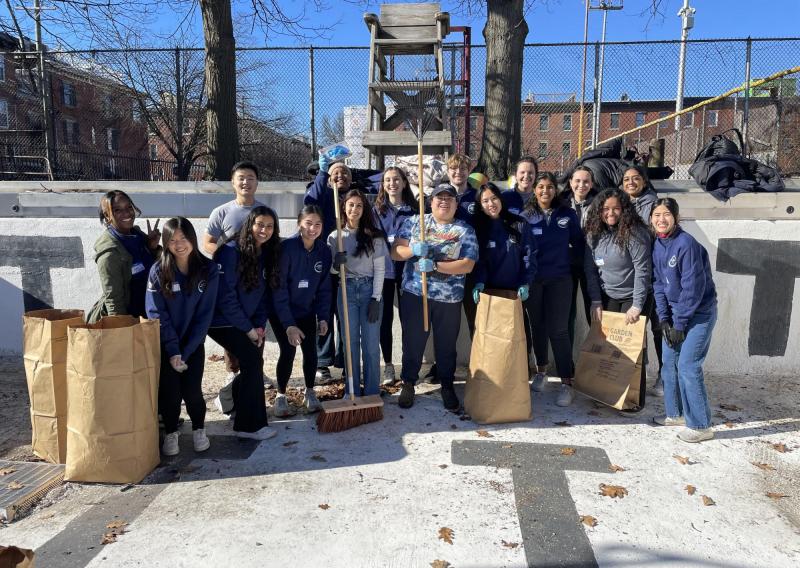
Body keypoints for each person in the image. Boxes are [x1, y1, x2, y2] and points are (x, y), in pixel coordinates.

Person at [392, 183, 478, 411]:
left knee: (446, 345)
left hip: (449, 299)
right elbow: (396, 252)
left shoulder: (465, 230)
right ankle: (408, 382)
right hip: (415, 294)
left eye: (449, 198)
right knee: (413, 342)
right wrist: (413, 250)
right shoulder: (415, 222)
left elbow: (467, 265)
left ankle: (447, 385)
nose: (444, 201)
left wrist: (436, 266)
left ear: (456, 204)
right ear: (431, 201)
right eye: (439, 197)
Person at [145, 217, 219, 456]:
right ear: (166, 243)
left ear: (192, 238)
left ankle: (199, 429)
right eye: (173, 240)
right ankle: (171, 434)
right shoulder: (158, 271)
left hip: (193, 344)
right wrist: (173, 350)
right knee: (171, 394)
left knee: (193, 391)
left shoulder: (208, 270)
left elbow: (204, 316)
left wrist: (185, 351)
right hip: (167, 346)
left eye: (183, 238)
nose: (179, 244)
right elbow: (156, 313)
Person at [206, 202, 279, 440]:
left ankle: (228, 400)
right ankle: (249, 427)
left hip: (246, 320)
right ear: (250, 225)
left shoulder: (264, 254)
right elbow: (225, 298)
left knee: (253, 361)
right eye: (260, 224)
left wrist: (258, 326)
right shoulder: (229, 251)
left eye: (269, 226)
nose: (264, 230)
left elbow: (261, 296)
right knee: (250, 360)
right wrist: (248, 329)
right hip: (221, 320)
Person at [651, 198, 718, 443]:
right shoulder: (658, 244)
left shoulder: (686, 244)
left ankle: (701, 425)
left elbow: (693, 289)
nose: (661, 219)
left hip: (699, 314)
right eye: (656, 215)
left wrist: (679, 324)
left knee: (689, 366)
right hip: (675, 314)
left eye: (666, 214)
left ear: (676, 218)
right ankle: (676, 414)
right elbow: (658, 284)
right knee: (669, 365)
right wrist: (665, 319)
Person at [583, 188, 652, 412]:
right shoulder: (593, 234)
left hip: (633, 297)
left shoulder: (635, 233)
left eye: (615, 208)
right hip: (608, 295)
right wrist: (595, 301)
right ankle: (606, 392)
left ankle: (633, 400)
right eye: (605, 209)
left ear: (624, 210)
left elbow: (643, 270)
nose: (610, 213)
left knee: (632, 350)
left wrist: (637, 305)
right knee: (608, 347)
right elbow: (591, 271)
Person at [202, 161, 270, 389]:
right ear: (233, 182)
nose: (246, 182)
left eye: (251, 178)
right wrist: (229, 261)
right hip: (232, 280)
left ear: (257, 183)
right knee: (234, 327)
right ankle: (233, 373)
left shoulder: (263, 212)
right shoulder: (221, 212)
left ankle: (254, 370)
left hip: (256, 280)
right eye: (241, 178)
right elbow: (208, 243)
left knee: (255, 326)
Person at [522, 172, 585, 407]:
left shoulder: (567, 215)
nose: (545, 191)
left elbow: (579, 244)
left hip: (560, 280)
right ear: (535, 190)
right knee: (537, 326)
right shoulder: (526, 216)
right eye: (540, 187)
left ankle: (567, 383)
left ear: (556, 190)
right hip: (534, 280)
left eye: (550, 187)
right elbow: (520, 249)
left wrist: (568, 264)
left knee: (558, 330)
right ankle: (541, 371)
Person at [270, 206, 332, 417]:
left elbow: (324, 288)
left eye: (317, 224)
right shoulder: (286, 248)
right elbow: (279, 290)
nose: (312, 228)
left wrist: (323, 317)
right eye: (308, 223)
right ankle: (280, 396)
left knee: (311, 351)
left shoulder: (323, 251)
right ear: (299, 224)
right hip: (282, 311)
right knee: (288, 351)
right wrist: (288, 325)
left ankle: (310, 392)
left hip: (306, 310)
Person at [328, 189, 387, 397]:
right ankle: (351, 390)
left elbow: (380, 269)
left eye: (359, 205)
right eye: (350, 204)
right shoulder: (335, 236)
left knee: (371, 344)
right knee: (350, 343)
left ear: (364, 209)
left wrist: (376, 298)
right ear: (343, 207)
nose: (354, 209)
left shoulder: (375, 237)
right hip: (346, 290)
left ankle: (372, 391)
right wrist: (336, 264)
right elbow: (333, 271)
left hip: (369, 289)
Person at [304, 157, 353, 382]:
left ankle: (346, 361)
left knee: (345, 313)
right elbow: (309, 202)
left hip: (348, 265)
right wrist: (323, 175)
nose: (340, 176)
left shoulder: (354, 200)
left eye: (344, 173)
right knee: (324, 311)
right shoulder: (321, 195)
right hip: (323, 265)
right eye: (335, 173)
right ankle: (323, 362)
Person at [622, 164, 664, 394]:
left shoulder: (654, 205)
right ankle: (641, 370)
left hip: (655, 274)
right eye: (626, 179)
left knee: (659, 326)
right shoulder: (622, 204)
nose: (630, 182)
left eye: (635, 178)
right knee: (639, 328)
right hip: (634, 277)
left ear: (644, 181)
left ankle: (665, 375)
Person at [87, 190, 160, 323]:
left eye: (129, 207)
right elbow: (114, 299)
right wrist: (122, 331)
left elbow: (151, 271)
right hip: (130, 321)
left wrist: (152, 248)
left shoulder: (137, 235)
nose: (126, 213)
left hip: (147, 316)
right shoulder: (109, 253)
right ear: (107, 215)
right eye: (117, 210)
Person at [373, 167, 416, 385]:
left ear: (404, 183)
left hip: (409, 273)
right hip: (385, 273)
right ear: (383, 184)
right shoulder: (376, 210)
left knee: (409, 321)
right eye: (387, 180)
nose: (392, 184)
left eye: (396, 179)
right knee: (385, 321)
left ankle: (410, 365)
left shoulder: (414, 210)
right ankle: (389, 365)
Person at [471, 182, 537, 312]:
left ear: (500, 199)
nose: (491, 204)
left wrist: (525, 282)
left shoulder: (519, 224)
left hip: (516, 292)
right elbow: (480, 261)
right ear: (480, 206)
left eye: (494, 198)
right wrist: (479, 282)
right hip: (489, 293)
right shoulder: (479, 230)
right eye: (485, 201)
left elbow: (529, 254)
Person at [562, 166, 598, 346]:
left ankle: (598, 362)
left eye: (586, 181)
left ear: (591, 184)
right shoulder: (561, 204)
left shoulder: (599, 204)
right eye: (577, 181)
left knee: (594, 311)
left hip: (590, 265)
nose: (581, 185)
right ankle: (567, 364)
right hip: (567, 265)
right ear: (570, 183)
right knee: (567, 314)